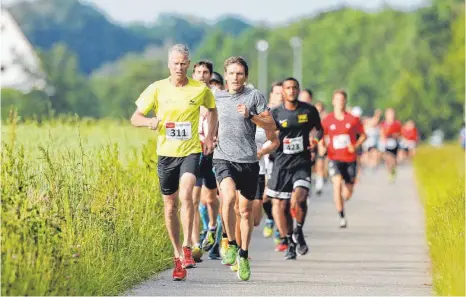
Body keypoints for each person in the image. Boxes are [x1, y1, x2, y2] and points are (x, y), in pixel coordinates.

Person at [130, 44, 218, 281]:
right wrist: (149, 122)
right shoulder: (157, 89)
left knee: (187, 194)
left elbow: (212, 109)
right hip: (166, 153)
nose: (179, 67)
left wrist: (209, 137)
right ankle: (177, 254)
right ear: (169, 64)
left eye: (183, 63)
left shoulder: (199, 89)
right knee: (170, 207)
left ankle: (189, 246)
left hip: (190, 151)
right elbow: (134, 118)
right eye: (175, 63)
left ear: (188, 65)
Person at [213, 56, 276, 281]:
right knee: (228, 198)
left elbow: (272, 125)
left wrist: (251, 116)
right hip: (223, 157)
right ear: (226, 75)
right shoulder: (216, 97)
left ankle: (244, 254)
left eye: (239, 73)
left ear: (245, 76)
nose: (235, 77)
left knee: (246, 211)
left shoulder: (254, 96)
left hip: (248, 161)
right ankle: (229, 242)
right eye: (231, 73)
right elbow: (204, 116)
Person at [266, 77, 323, 259]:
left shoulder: (308, 110)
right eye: (288, 88)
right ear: (282, 91)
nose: (291, 91)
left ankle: (298, 230)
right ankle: (289, 240)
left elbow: (319, 129)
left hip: (302, 163)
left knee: (300, 198)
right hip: (281, 164)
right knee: (282, 206)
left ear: (298, 90)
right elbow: (268, 135)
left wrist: (314, 142)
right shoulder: (275, 113)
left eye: (294, 87)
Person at [190, 60, 221, 262]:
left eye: (205, 72)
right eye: (199, 72)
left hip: (212, 153)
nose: (202, 75)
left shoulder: (217, 98)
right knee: (191, 200)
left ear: (210, 76)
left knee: (210, 199)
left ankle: (212, 225)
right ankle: (194, 246)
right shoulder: (187, 96)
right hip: (192, 152)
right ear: (193, 74)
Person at [322, 90, 366, 228]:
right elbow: (321, 135)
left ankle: (342, 199)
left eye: (342, 100)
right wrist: (322, 146)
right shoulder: (328, 120)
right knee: (336, 184)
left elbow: (363, 135)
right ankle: (341, 216)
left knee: (347, 193)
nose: (340, 102)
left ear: (345, 102)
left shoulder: (353, 119)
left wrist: (356, 145)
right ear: (333, 101)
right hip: (334, 158)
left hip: (350, 159)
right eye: (337, 99)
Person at [262, 81, 283, 242]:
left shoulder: (290, 111)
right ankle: (270, 218)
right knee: (265, 196)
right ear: (271, 95)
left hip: (283, 159)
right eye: (277, 93)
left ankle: (279, 228)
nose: (280, 96)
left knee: (279, 197)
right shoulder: (264, 111)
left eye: (282, 93)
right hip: (265, 157)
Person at [380, 108, 402, 182]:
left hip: (394, 144)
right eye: (389, 114)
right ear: (386, 115)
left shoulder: (397, 123)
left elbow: (400, 134)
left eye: (392, 114)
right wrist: (383, 139)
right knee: (388, 159)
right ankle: (389, 173)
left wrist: (395, 135)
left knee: (394, 161)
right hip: (386, 144)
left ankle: (393, 170)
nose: (391, 116)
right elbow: (381, 132)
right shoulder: (383, 123)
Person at [314, 101, 328, 195]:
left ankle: (319, 184)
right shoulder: (310, 117)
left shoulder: (325, 120)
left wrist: (323, 145)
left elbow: (326, 134)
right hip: (310, 143)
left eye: (320, 110)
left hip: (320, 144)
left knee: (320, 163)